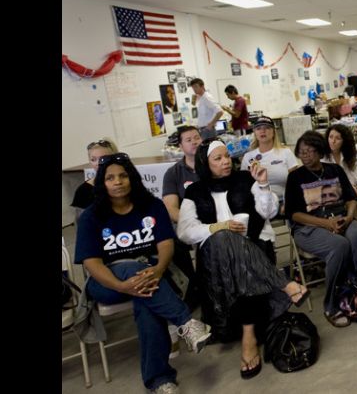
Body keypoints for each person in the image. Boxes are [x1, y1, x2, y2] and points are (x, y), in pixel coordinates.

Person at [74, 153, 212, 394]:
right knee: (134, 270)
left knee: (146, 301)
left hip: (152, 277)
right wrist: (122, 286)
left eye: (123, 176)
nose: (118, 182)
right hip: (106, 282)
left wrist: (158, 271)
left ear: (132, 179)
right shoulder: (91, 216)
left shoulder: (152, 205)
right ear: (101, 183)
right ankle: (185, 321)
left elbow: (166, 245)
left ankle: (160, 381)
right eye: (110, 178)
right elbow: (92, 264)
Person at [177, 139, 309, 379]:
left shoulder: (245, 179)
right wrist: (218, 227)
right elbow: (185, 232)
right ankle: (283, 284)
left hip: (254, 246)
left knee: (242, 262)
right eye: (217, 159)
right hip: (216, 259)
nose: (226, 161)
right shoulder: (194, 191)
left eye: (227, 156)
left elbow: (268, 213)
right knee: (225, 237)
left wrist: (263, 184)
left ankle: (249, 337)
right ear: (204, 163)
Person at [285, 131, 357, 328]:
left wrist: (349, 217)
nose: (305, 156)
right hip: (309, 227)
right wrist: (326, 224)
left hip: (341, 219)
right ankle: (331, 306)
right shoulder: (295, 177)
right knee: (339, 246)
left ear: (320, 151)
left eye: (310, 152)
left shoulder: (334, 170)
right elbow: (294, 214)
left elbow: (350, 199)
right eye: (302, 152)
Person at [161, 125, 203, 312]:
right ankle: (194, 287)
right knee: (173, 242)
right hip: (187, 223)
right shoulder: (173, 173)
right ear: (180, 146)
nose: (195, 142)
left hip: (217, 220)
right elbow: (170, 207)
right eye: (189, 139)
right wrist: (192, 224)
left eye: (197, 137)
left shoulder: (214, 163)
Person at [239, 116, 299, 208]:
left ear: (273, 132)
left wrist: (289, 201)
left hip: (284, 201)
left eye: (267, 128)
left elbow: (295, 182)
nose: (263, 131)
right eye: (258, 128)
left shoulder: (286, 152)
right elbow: (244, 186)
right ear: (254, 132)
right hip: (259, 203)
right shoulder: (248, 157)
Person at [71, 138, 119, 214]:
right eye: (93, 159)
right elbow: (81, 223)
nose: (98, 163)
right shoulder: (83, 191)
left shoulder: (124, 183)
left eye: (103, 158)